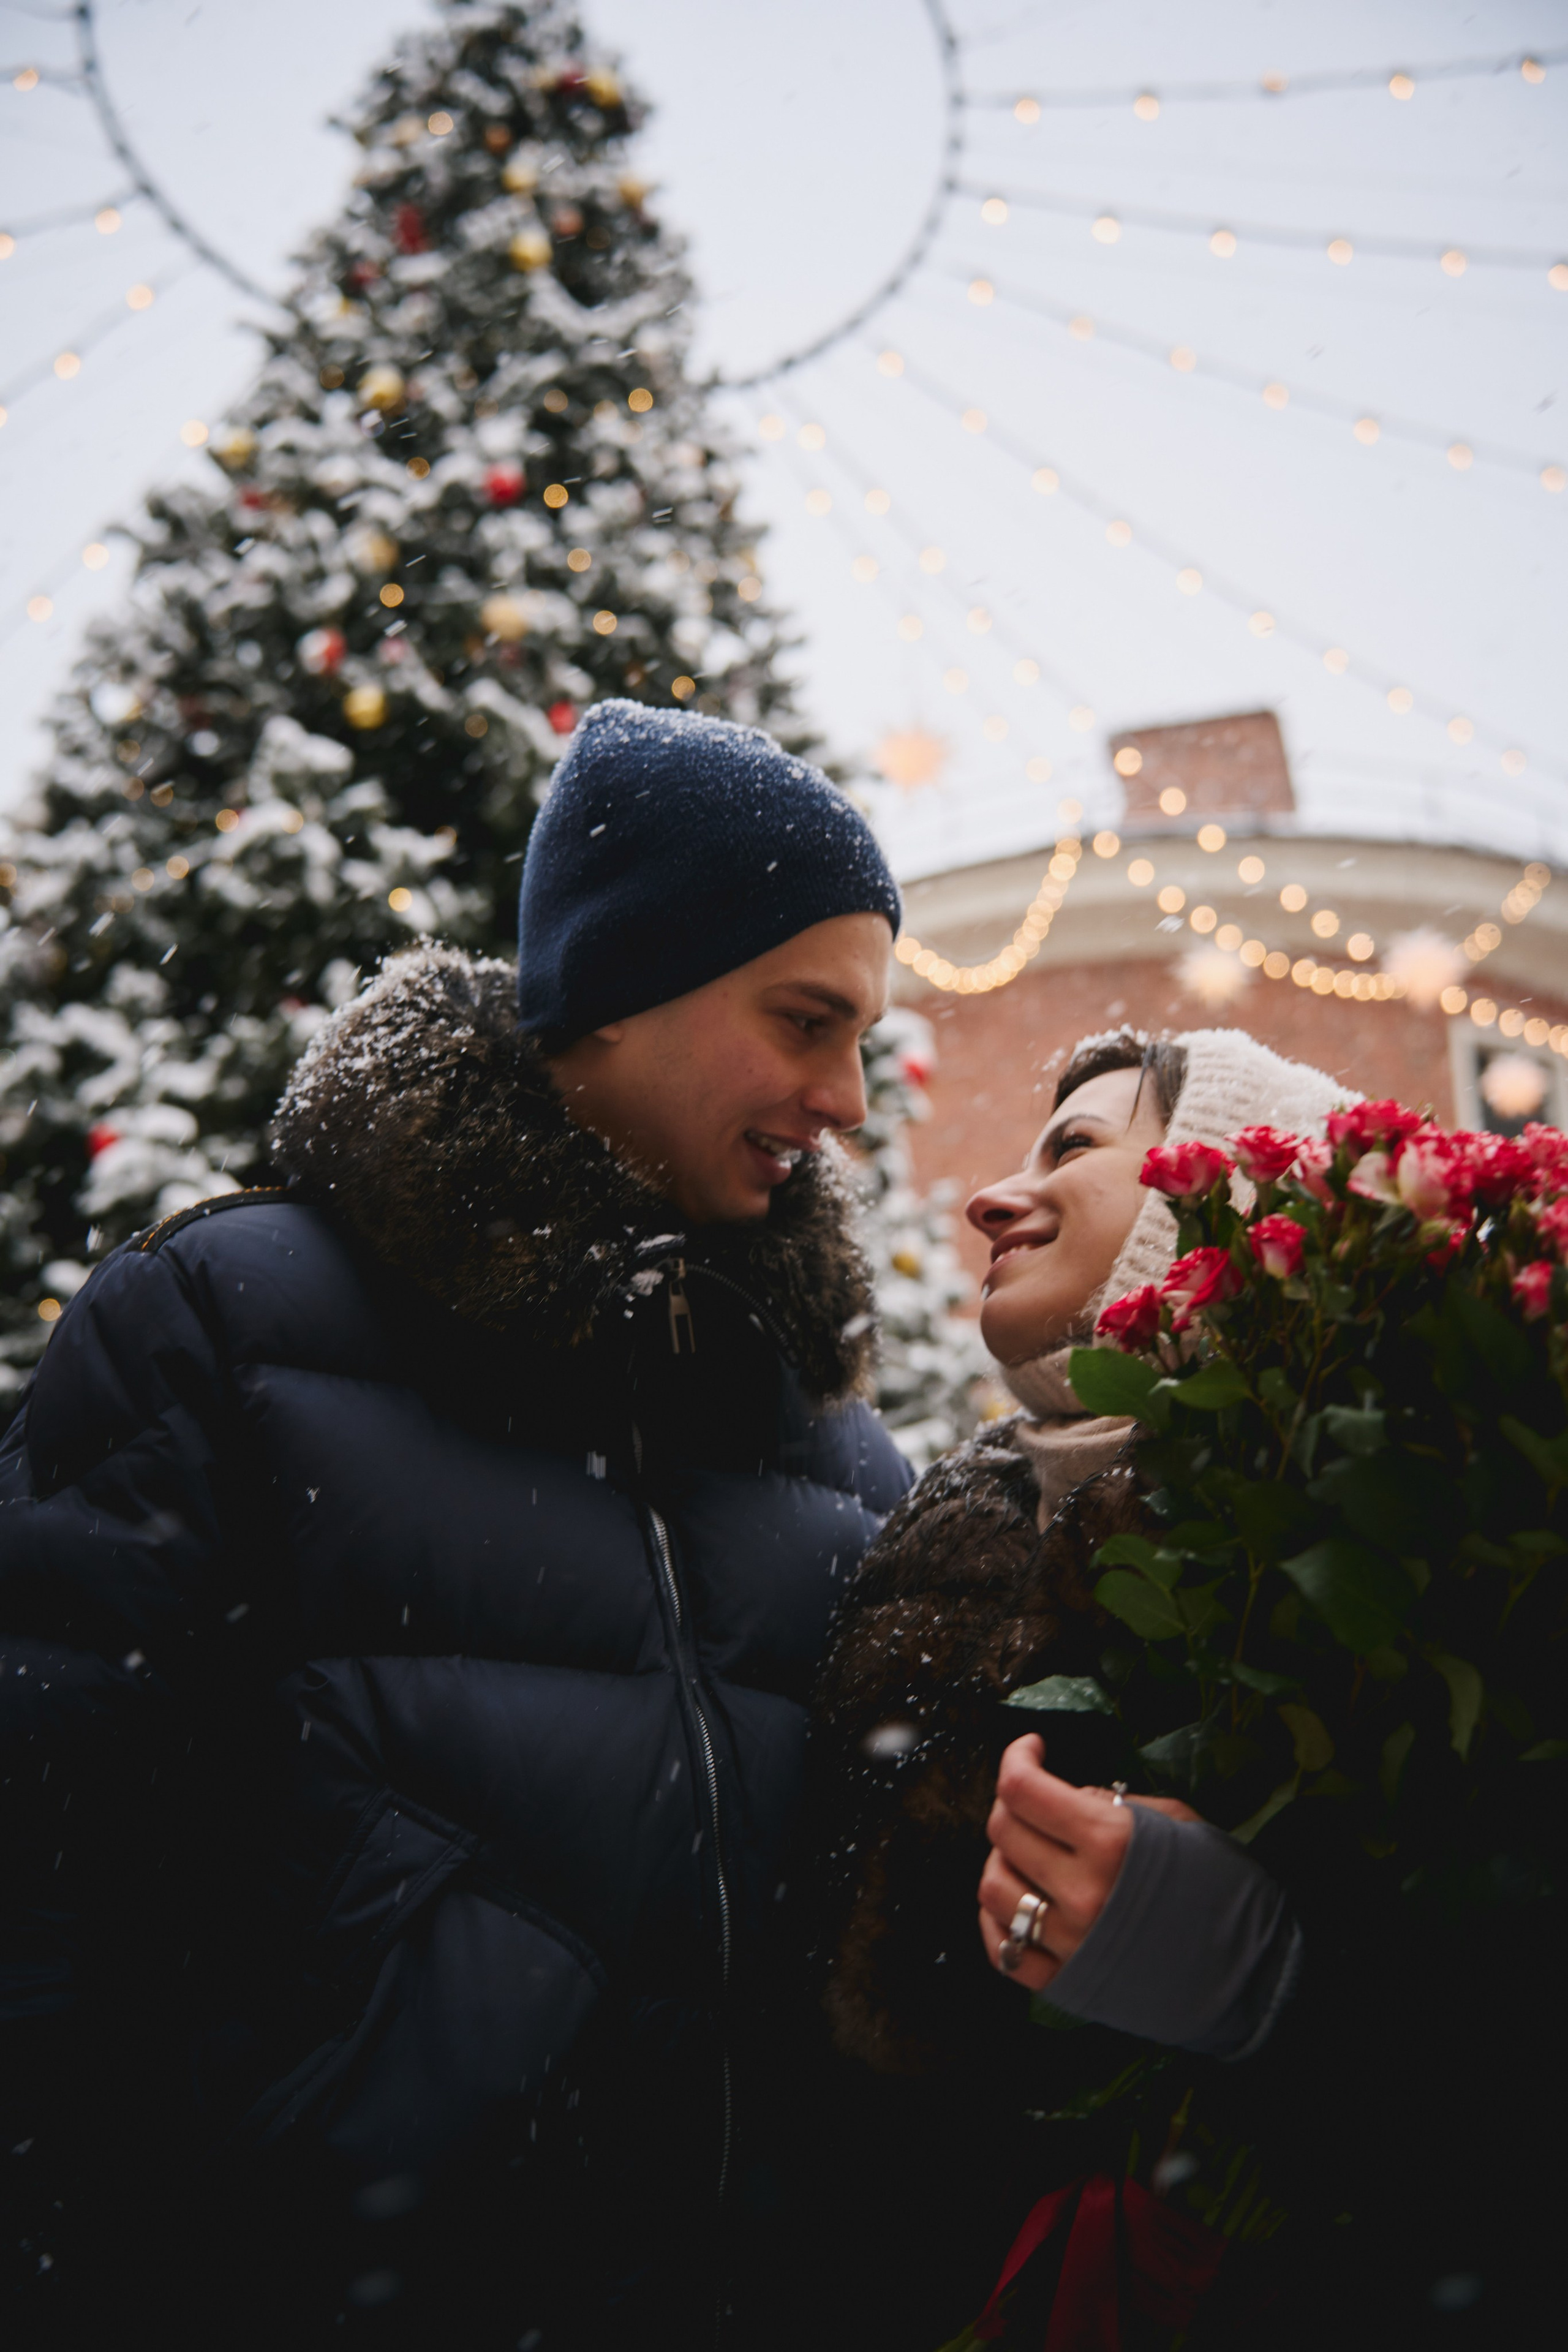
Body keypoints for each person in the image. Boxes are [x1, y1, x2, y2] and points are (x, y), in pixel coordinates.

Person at [0, 700, 914, 2350]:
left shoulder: (836, 1449)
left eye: (862, 1039)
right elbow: (43, 1885)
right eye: (804, 1019)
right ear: (622, 986)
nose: (844, 1097)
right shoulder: (220, 1327)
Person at [810, 1025, 1367, 2348]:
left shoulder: (1400, 1509)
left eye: (1073, 1148)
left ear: (1219, 1182)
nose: (989, 1200)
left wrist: (1282, 1992)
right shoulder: (937, 1538)